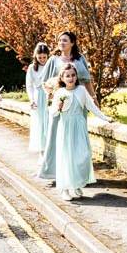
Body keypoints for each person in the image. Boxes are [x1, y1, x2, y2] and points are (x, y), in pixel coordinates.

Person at [39, 31, 97, 180]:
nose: (61, 43)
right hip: (61, 104)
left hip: (78, 104)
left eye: (65, 40)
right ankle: (55, 171)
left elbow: (87, 80)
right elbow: (44, 82)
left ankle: (78, 173)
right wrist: (51, 92)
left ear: (72, 43)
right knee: (57, 136)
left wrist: (94, 97)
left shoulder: (80, 59)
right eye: (60, 40)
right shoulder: (53, 60)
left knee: (78, 138)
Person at [51, 63, 112, 201]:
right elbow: (53, 113)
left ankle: (76, 184)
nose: (71, 78)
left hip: (79, 128)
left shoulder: (81, 90)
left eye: (73, 75)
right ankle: (65, 188)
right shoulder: (60, 93)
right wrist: (58, 108)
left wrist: (106, 118)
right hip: (66, 128)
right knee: (67, 158)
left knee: (82, 157)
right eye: (67, 76)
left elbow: (92, 107)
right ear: (62, 78)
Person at [26, 42, 50, 153]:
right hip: (38, 97)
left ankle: (51, 149)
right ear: (36, 56)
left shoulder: (50, 66)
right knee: (40, 124)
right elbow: (29, 86)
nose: (42, 59)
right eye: (39, 57)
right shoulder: (32, 68)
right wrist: (31, 100)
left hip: (49, 96)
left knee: (49, 122)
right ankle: (42, 150)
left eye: (44, 57)